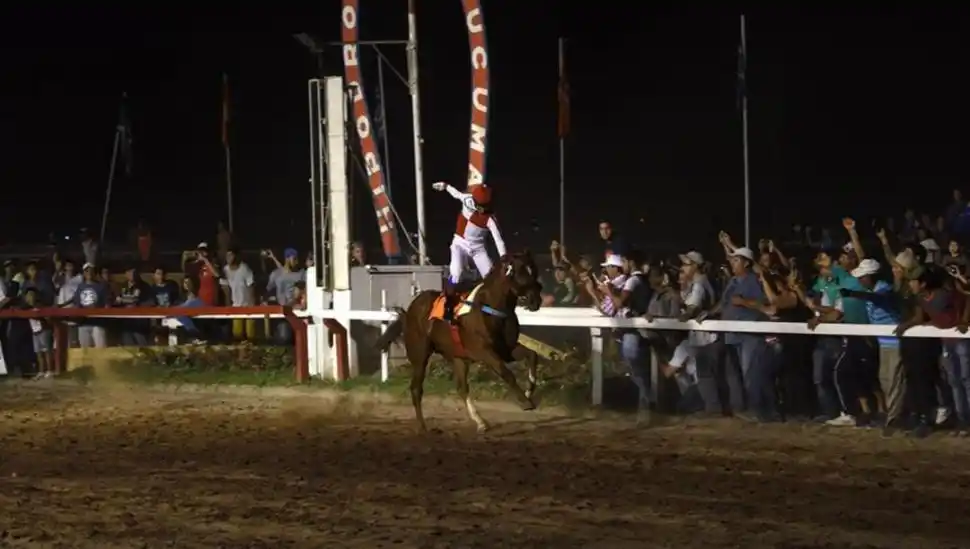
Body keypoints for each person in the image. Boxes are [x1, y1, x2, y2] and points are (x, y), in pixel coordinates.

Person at [432, 181, 507, 323]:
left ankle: (489, 309)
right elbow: (456, 194)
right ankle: (448, 306)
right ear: (474, 200)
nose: (483, 210)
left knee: (491, 277)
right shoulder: (467, 199)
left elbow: (499, 240)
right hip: (459, 244)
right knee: (456, 273)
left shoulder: (491, 218)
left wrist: (504, 258)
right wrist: (445, 186)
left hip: (478, 249)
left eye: (486, 207)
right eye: (481, 206)